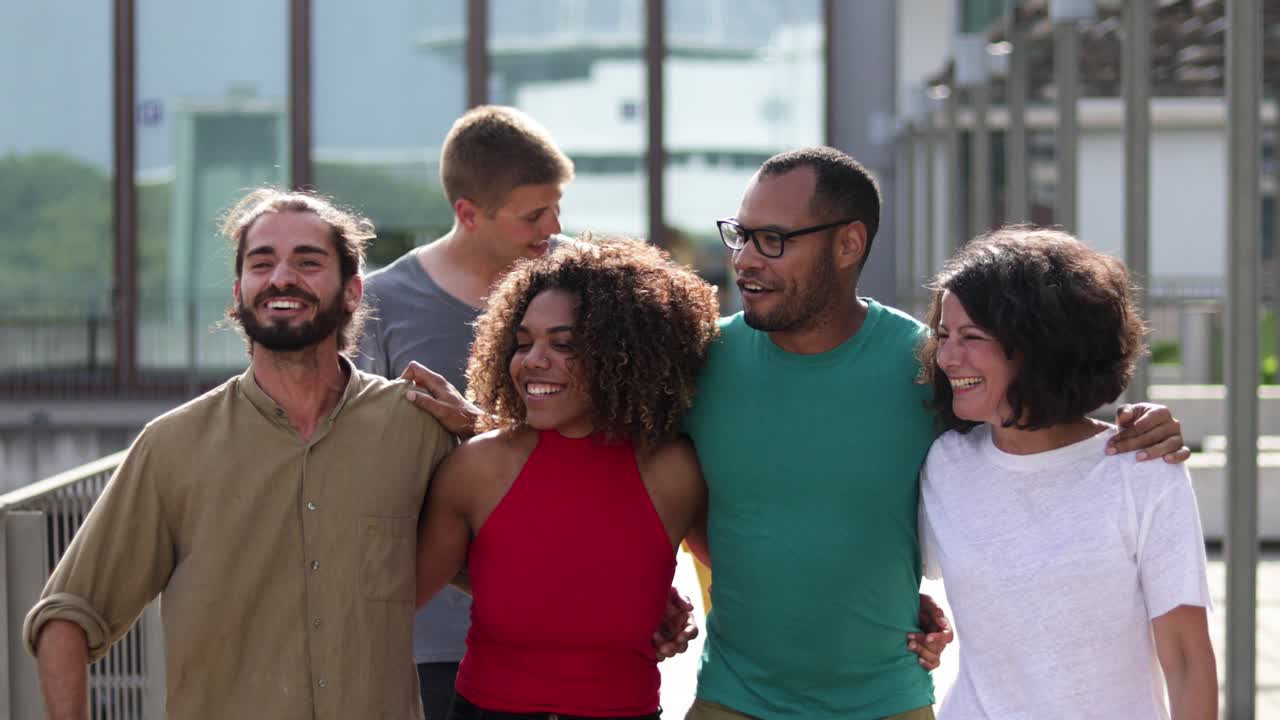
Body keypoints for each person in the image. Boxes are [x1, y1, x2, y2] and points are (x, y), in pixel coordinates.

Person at [405, 147, 1188, 719]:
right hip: (732, 698)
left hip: (889, 703)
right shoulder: (698, 363)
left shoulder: (926, 365)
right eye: (741, 234)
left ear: (849, 244)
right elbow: (583, 459)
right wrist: (473, 429)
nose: (745, 259)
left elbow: (1028, 421)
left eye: (773, 240)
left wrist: (1132, 424)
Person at [24, 189, 454, 719]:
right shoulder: (173, 446)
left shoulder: (415, 426)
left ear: (351, 292)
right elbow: (67, 616)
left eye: (308, 261)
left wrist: (481, 432)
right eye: (262, 263)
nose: (281, 278)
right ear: (239, 290)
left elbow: (515, 548)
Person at [414, 236, 718, 720]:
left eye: (563, 344)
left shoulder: (675, 469)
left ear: (624, 354)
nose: (533, 359)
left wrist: (646, 598)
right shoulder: (476, 467)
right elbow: (391, 596)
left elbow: (745, 580)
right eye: (523, 342)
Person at [916, 227, 1216, 718]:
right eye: (944, 335)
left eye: (972, 337)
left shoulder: (1141, 467)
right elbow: (885, 578)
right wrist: (921, 625)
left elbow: (1186, 660)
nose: (948, 357)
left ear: (1041, 346)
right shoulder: (944, 463)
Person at [357, 104, 573, 719]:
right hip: (435, 640)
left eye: (557, 205)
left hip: (569, 623)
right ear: (468, 214)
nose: (554, 226)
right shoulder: (382, 305)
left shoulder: (582, 284)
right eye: (534, 215)